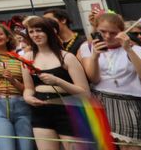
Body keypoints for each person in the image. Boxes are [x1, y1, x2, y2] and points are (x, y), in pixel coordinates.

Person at [79, 12, 141, 149]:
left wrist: (129, 50)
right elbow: (94, 79)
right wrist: (94, 57)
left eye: (113, 33)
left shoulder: (136, 49)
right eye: (102, 32)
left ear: (122, 32)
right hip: (100, 101)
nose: (107, 36)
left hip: (128, 103)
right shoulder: (88, 48)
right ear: (95, 30)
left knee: (132, 146)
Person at [20, 16, 90, 150]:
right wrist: (28, 97)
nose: (35, 35)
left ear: (49, 32)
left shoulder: (67, 57)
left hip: (67, 109)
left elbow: (85, 92)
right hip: (41, 111)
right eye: (31, 31)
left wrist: (57, 81)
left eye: (39, 30)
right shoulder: (27, 59)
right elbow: (28, 88)